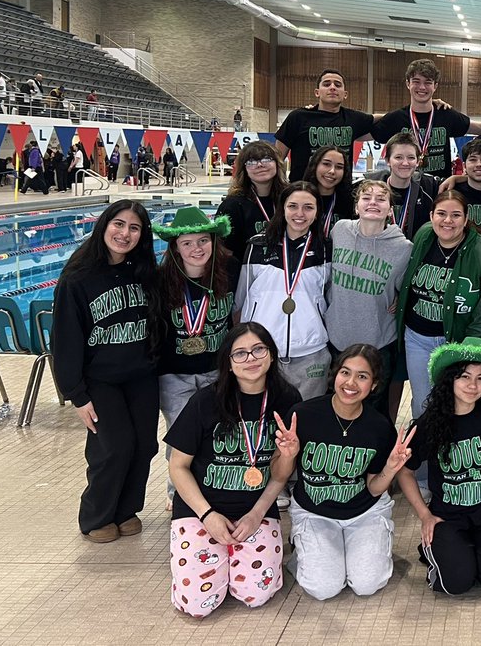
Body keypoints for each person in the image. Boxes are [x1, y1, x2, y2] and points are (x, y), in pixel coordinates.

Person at [164, 323, 301, 618]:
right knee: (197, 605)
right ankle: (214, 562)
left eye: (258, 349)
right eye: (239, 353)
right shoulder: (205, 401)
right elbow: (178, 466)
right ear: (227, 361)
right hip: (200, 509)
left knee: (256, 594)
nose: (250, 358)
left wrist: (257, 513)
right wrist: (207, 515)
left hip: (256, 509)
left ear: (272, 355)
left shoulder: (287, 400)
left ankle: (230, 560)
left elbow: (279, 474)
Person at [52, 200, 160, 542]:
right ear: (104, 226)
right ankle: (96, 516)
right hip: (99, 380)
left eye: (134, 228)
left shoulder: (144, 272)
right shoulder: (77, 279)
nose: (124, 233)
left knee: (144, 446)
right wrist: (77, 394)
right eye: (119, 224)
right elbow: (66, 340)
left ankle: (125, 511)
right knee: (113, 447)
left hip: (141, 377)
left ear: (142, 235)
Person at [287, 345, 414, 600]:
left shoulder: (379, 426)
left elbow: (374, 488)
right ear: (335, 375)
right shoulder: (303, 414)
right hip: (314, 511)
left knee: (366, 584)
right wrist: (288, 454)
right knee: (323, 588)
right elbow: (280, 475)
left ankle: (361, 548)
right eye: (346, 372)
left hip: (364, 512)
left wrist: (390, 468)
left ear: (374, 385)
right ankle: (306, 549)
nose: (351, 383)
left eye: (362, 376)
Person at [398, 339, 481, 595]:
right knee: (455, 584)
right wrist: (424, 515)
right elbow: (405, 471)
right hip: (447, 513)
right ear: (450, 379)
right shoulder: (429, 423)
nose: (473, 385)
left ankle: (476, 546)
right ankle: (442, 548)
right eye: (465, 376)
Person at [396, 189, 481, 426]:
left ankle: (457, 459)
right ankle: (425, 461)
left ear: (466, 219)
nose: (448, 221)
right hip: (417, 337)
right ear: (431, 215)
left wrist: (469, 349)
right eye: (441, 214)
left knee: (460, 405)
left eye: (456, 215)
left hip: (457, 341)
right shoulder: (424, 236)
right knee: (423, 405)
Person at [152, 207, 236, 504]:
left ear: (214, 241)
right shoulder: (161, 280)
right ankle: (178, 492)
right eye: (186, 243)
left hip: (217, 370)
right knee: (180, 434)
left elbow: (236, 319)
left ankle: (212, 485)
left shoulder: (229, 271)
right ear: (175, 247)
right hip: (174, 373)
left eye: (203, 240)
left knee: (217, 431)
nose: (196, 248)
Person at [234, 181, 333, 400]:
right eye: (293, 206)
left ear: (317, 213)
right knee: (266, 419)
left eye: (308, 207)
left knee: (305, 419)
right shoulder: (257, 246)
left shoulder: (325, 249)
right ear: (282, 209)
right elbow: (240, 301)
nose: (300, 213)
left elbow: (330, 297)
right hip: (262, 352)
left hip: (311, 352)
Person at [326, 179, 412, 416]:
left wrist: (400, 300)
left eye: (381, 199)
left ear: (390, 210)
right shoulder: (340, 230)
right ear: (357, 207)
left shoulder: (403, 248)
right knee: (335, 407)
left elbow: (406, 291)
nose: (373, 202)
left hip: (378, 344)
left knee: (371, 412)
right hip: (336, 339)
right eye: (366, 197)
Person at [372, 58, 481, 179]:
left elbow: (480, 127)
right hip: (405, 189)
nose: (422, 87)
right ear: (408, 84)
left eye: (428, 82)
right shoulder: (395, 118)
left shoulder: (446, 114)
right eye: (416, 81)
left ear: (435, 86)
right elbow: (361, 131)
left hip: (439, 189)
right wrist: (380, 116)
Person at [275, 68, 379, 181]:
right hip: (304, 191)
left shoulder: (353, 118)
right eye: (327, 84)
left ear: (345, 94)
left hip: (340, 193)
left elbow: (381, 118)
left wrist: (401, 114)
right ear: (317, 92)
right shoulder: (298, 117)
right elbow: (277, 159)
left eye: (338, 85)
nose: (332, 87)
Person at [215, 141, 287, 284]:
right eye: (251, 161)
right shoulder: (232, 206)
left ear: (277, 164)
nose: (260, 165)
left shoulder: (288, 200)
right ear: (244, 169)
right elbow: (224, 252)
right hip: (247, 279)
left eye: (266, 159)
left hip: (284, 275)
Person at [369, 131, 439, 240]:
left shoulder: (429, 187)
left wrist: (457, 177)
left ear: (417, 161)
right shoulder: (369, 188)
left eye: (411, 157)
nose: (405, 163)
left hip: (415, 254)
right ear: (387, 160)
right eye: (398, 157)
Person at [303, 145, 353, 238]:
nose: (332, 171)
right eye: (326, 164)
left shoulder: (351, 202)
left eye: (339, 167)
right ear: (315, 165)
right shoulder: (299, 198)